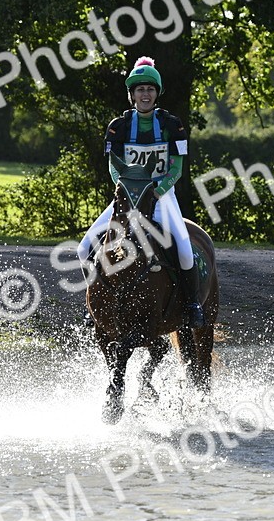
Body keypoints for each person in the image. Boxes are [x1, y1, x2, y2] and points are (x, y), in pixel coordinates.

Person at [78, 56, 206, 328]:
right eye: (139, 89)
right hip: (125, 197)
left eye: (149, 89)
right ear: (132, 95)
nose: (144, 94)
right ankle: (94, 304)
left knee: (184, 249)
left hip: (161, 194)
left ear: (157, 93)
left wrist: (157, 191)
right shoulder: (118, 127)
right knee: (84, 247)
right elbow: (114, 167)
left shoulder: (173, 125)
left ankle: (192, 304)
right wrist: (124, 190)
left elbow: (177, 168)